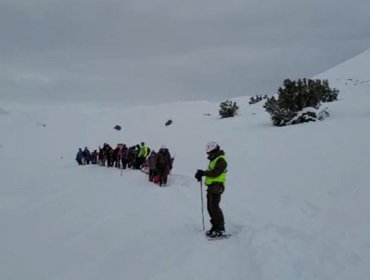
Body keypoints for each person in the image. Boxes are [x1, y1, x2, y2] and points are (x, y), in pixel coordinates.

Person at [195, 141, 227, 238]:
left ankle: (221, 229)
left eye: (209, 152)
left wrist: (203, 173)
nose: (208, 154)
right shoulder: (214, 159)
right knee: (210, 207)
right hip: (211, 187)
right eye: (208, 152)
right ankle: (215, 227)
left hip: (217, 186)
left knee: (214, 207)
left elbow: (216, 173)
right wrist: (201, 174)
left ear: (214, 150)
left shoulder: (221, 159)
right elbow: (211, 172)